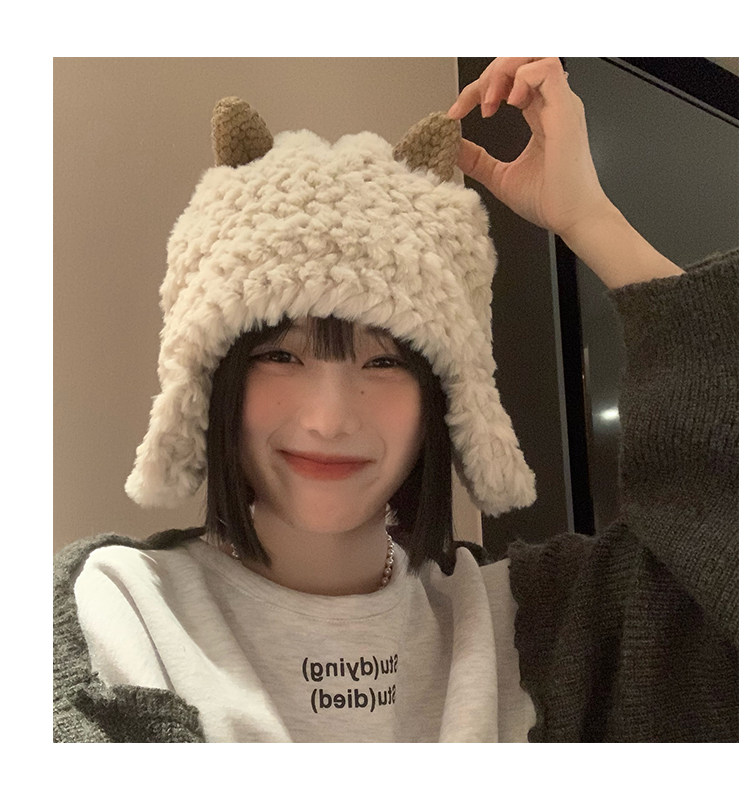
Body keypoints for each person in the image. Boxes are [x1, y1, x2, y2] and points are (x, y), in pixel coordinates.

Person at [53, 57, 738, 742]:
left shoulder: (547, 626)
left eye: (384, 362)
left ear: (447, 395)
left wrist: (593, 220)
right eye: (280, 356)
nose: (328, 419)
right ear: (209, 376)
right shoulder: (116, 619)